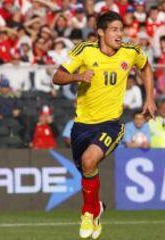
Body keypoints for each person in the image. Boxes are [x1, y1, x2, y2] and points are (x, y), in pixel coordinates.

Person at [52, 11, 156, 240]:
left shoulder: (131, 51)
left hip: (111, 124)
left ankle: (87, 213)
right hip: (81, 126)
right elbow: (57, 77)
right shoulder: (84, 51)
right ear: (101, 32)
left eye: (121, 29)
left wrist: (150, 98)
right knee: (86, 170)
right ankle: (96, 207)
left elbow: (146, 67)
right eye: (114, 30)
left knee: (89, 161)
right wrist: (77, 77)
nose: (120, 34)